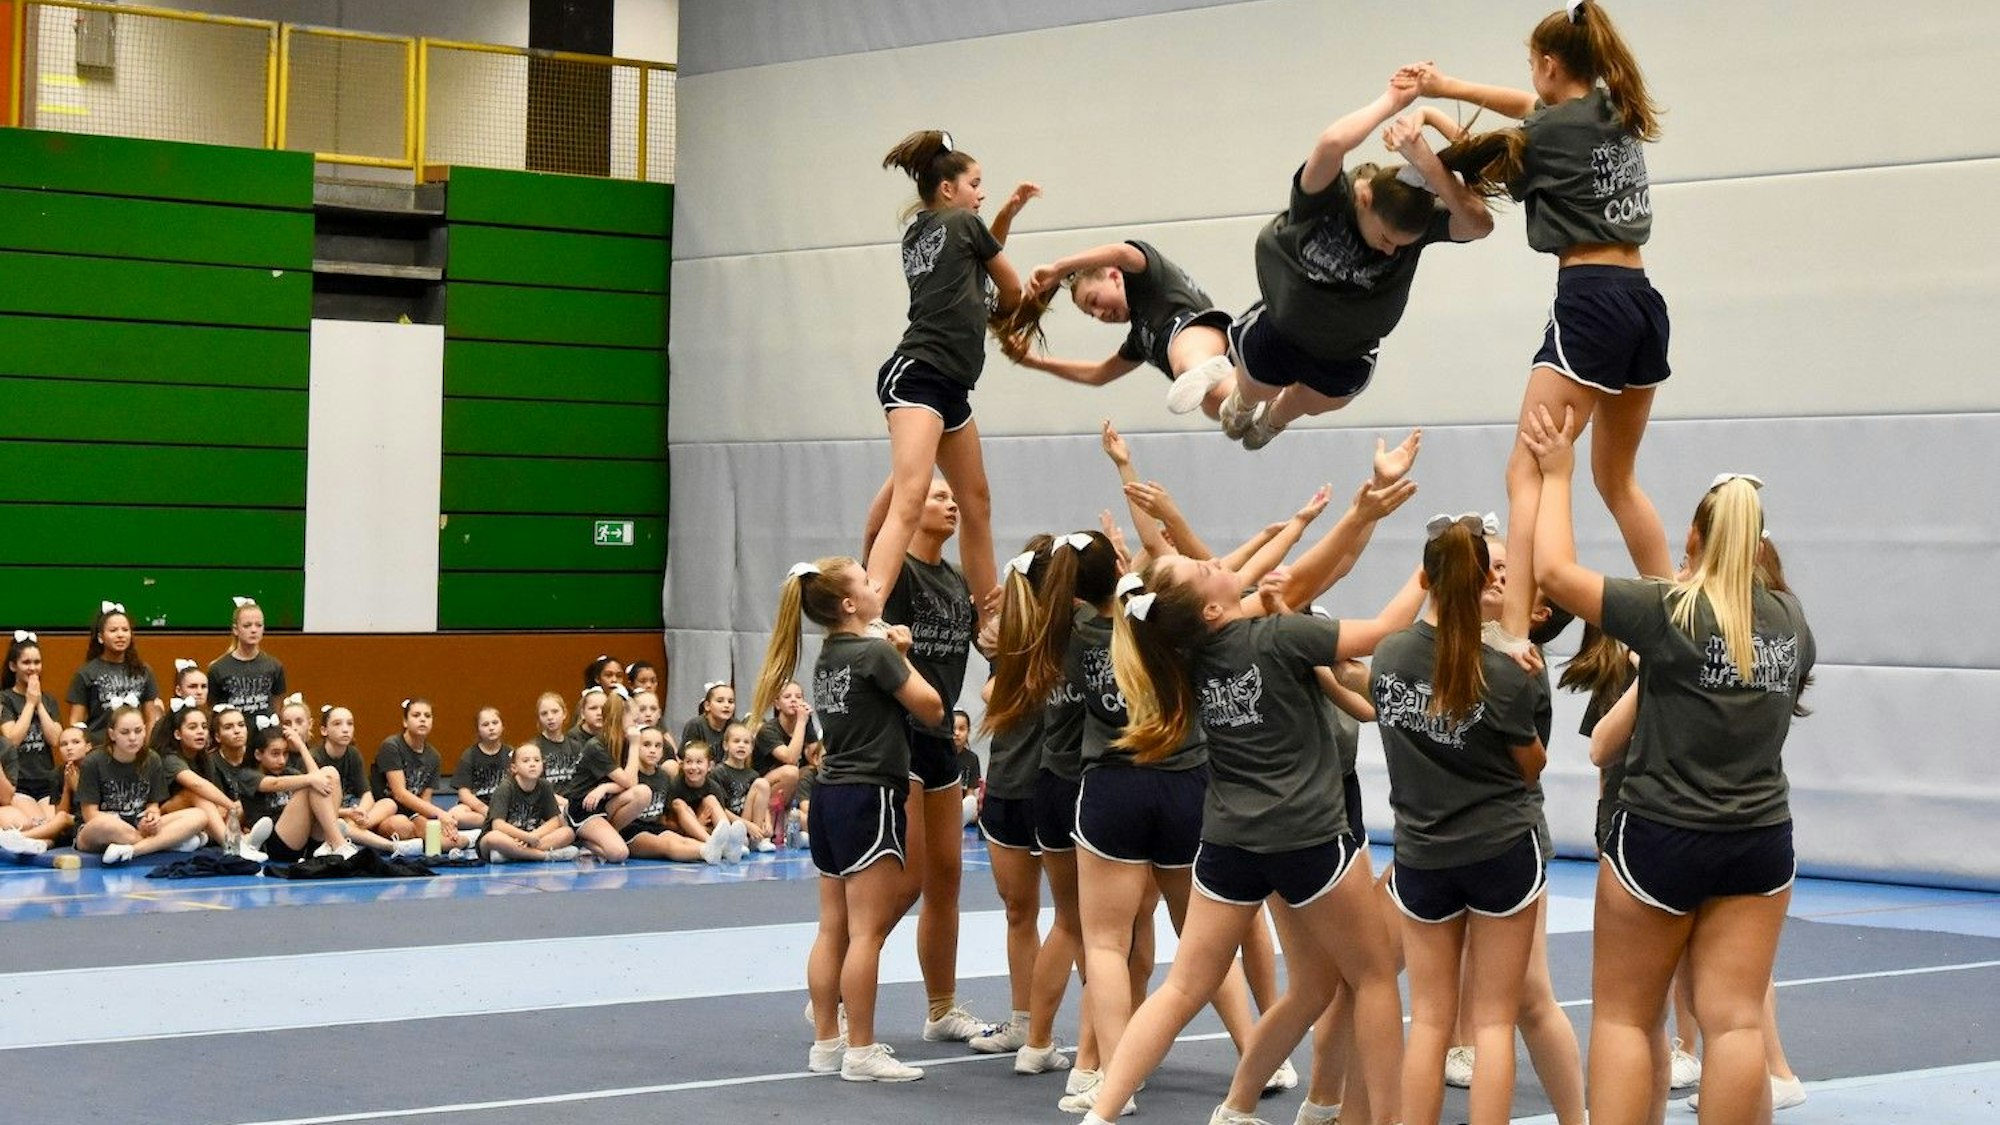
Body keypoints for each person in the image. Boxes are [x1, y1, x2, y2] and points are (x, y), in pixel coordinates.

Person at [1524, 405, 1813, 1125]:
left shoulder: (1670, 611)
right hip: (1758, 840)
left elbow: (1556, 573)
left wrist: (1558, 473)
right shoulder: (1790, 621)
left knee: (1625, 1017)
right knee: (1737, 1022)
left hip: (1662, 836)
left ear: (1693, 538)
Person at [1409, 0, 1673, 640]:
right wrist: (1444, 89)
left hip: (1590, 302)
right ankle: (1677, 609)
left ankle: (1516, 636)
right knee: (1617, 478)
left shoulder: (1550, 133)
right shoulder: (1614, 108)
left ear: (1550, 65)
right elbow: (1524, 111)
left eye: (1532, 66)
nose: (1529, 81)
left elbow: (1473, 163)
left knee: (1525, 471)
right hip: (1642, 298)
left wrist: (1423, 136)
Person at [1166, 77, 1493, 449]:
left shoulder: (1415, 222)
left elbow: (1479, 224)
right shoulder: (1325, 202)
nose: (1390, 252)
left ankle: (1272, 421)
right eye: (1386, 239)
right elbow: (1333, 143)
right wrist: (1391, 100)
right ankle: (1239, 403)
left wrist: (1428, 165)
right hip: (1286, 329)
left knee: (1317, 401)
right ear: (1364, 198)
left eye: (1401, 246)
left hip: (1347, 348)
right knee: (1260, 384)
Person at [1374, 515, 1548, 1125]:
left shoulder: (1388, 657)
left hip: (1422, 854)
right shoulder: (1503, 673)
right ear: (1483, 585)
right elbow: (1531, 767)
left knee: (1428, 1017)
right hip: (1499, 849)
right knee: (1494, 1021)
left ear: (1424, 578)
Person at [753, 556, 946, 1083]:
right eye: (865, 581)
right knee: (864, 934)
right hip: (868, 795)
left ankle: (825, 1044)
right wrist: (904, 657)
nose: (875, 583)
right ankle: (860, 1050)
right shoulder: (874, 653)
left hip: (832, 796)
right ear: (848, 603)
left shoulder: (828, 656)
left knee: (831, 926)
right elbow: (933, 709)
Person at [864, 129, 1033, 625]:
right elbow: (1010, 284)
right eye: (975, 183)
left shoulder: (922, 230)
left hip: (949, 386)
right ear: (948, 189)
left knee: (975, 500)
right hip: (918, 373)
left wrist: (1004, 215)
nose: (980, 193)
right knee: (912, 496)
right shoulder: (964, 223)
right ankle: (871, 608)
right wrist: (1015, 313)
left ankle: (990, 618)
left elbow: (979, 253)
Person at [1001, 239, 1236, 419]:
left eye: (1094, 301)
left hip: (1199, 332)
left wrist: (1060, 268)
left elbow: (1123, 252)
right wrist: (1033, 361)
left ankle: (1205, 372)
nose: (1100, 314)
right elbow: (1099, 374)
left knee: (1185, 356)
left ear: (1114, 275)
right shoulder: (1139, 339)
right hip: (1224, 360)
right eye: (1091, 315)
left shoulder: (1147, 276)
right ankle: (1255, 407)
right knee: (1213, 405)